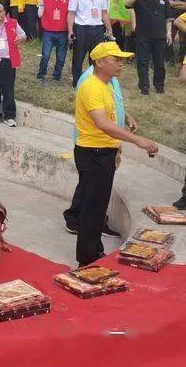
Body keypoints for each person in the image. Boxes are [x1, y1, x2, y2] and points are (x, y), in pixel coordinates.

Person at [71, 42, 158, 266]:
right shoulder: (91, 86)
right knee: (92, 207)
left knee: (98, 205)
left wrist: (116, 148)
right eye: (116, 59)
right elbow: (102, 123)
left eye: (122, 59)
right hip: (93, 153)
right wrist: (137, 140)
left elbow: (113, 116)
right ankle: (87, 258)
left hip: (104, 151)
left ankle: (93, 250)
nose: (121, 64)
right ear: (100, 62)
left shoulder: (107, 84)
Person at [124, 0, 172, 94]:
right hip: (143, 35)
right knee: (142, 61)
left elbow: (168, 19)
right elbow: (127, 4)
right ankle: (144, 87)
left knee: (160, 63)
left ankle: (159, 86)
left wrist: (169, 33)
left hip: (160, 36)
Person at [67, 0, 114, 86]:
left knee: (97, 58)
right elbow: (71, 14)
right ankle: (77, 82)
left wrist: (109, 29)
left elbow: (104, 13)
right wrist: (70, 31)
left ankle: (95, 82)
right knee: (78, 57)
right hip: (82, 29)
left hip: (97, 29)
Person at [37, 0, 70, 83]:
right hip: (48, 32)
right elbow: (40, 11)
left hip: (63, 32)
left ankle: (57, 76)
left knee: (61, 57)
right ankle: (41, 75)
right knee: (45, 55)